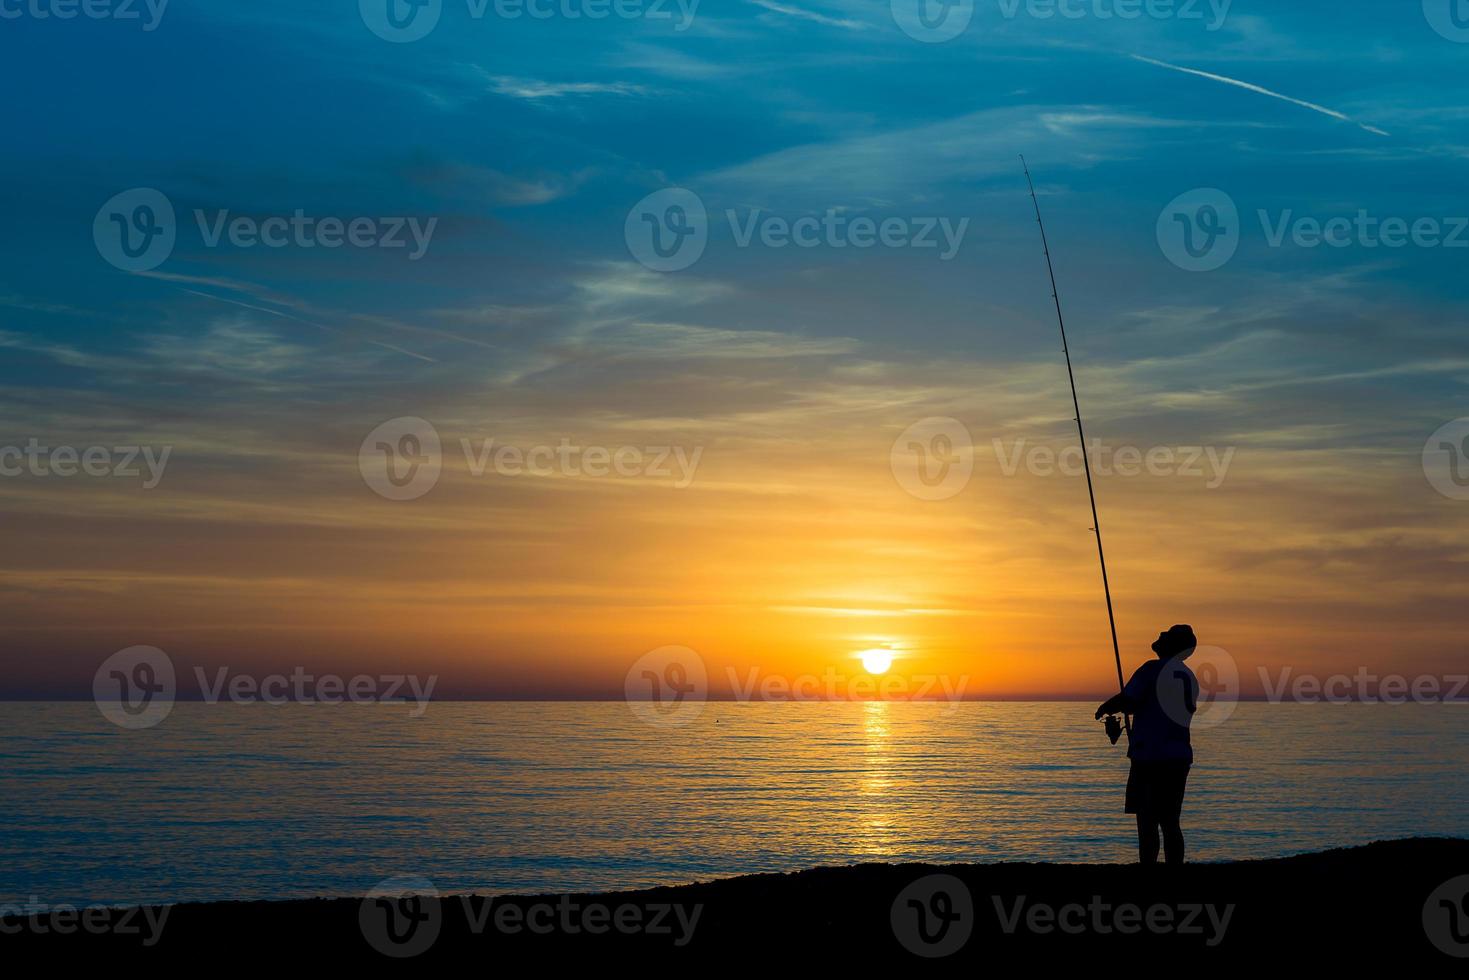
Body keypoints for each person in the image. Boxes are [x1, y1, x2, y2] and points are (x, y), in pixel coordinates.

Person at [1094, 624, 1200, 866]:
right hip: (1178, 756)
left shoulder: (1152, 669)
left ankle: (1148, 872)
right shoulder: (1188, 677)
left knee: (1147, 820)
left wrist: (1104, 708)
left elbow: (1127, 700)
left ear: (1172, 645)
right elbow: (1147, 705)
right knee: (1171, 821)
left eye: (1166, 635)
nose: (1160, 636)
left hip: (1150, 756)